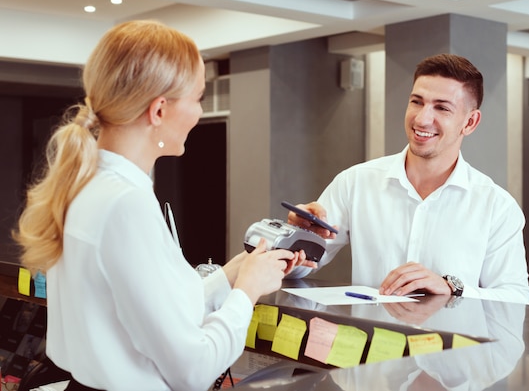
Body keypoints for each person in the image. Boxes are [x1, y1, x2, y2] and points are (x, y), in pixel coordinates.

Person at [13, 20, 312, 391]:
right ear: (158, 111)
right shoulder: (126, 205)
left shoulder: (89, 185)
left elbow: (154, 313)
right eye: (199, 98)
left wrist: (236, 271)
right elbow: (192, 370)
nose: (201, 113)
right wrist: (247, 292)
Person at [287, 53, 529, 305]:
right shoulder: (355, 183)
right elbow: (301, 266)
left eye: (442, 107)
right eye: (417, 102)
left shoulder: (497, 207)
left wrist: (452, 288)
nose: (422, 118)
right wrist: (296, 239)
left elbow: (515, 297)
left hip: (454, 345)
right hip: (372, 340)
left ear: (470, 122)